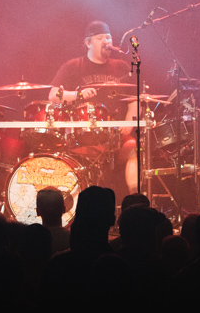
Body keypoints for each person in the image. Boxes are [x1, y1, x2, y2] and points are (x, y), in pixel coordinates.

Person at [48, 20, 139, 193]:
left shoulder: (122, 67)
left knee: (133, 148)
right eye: (100, 38)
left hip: (114, 136)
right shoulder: (73, 66)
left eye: (109, 37)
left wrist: (129, 123)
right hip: (81, 136)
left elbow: (134, 102)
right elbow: (53, 96)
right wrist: (78, 95)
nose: (107, 42)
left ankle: (135, 201)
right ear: (88, 43)